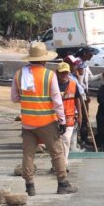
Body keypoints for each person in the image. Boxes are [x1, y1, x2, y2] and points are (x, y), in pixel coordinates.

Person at [11, 42, 78, 196]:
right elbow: (57, 100)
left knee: (28, 155)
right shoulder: (49, 75)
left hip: (28, 123)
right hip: (47, 122)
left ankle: (30, 186)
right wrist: (62, 121)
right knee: (57, 152)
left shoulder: (19, 74)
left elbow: (14, 98)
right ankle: (62, 183)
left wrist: (27, 98)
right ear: (43, 60)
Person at [56, 62, 82, 168]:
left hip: (69, 118)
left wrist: (80, 115)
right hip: (54, 118)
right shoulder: (52, 85)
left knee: (66, 140)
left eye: (66, 73)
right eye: (62, 73)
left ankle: (63, 164)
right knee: (56, 142)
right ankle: (56, 164)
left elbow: (77, 100)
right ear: (57, 73)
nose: (64, 75)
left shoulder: (73, 85)